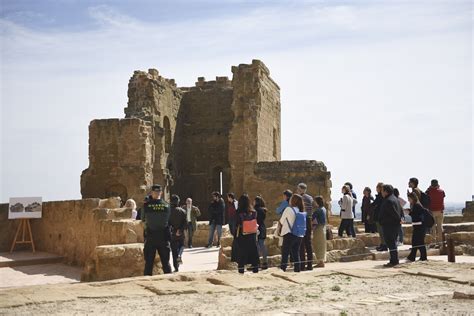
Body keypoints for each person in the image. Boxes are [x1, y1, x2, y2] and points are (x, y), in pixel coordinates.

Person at [142, 184, 172, 275]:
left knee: (149, 263)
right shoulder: (166, 205)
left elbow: (143, 218)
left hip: (152, 235)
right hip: (163, 236)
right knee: (165, 263)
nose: (156, 193)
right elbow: (169, 220)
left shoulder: (147, 205)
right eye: (156, 192)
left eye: (157, 192)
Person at [279, 194, 306, 272]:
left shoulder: (288, 209)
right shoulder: (301, 210)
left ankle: (282, 269)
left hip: (289, 233)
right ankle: (297, 269)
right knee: (296, 252)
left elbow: (281, 221)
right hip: (299, 234)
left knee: (285, 253)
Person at [379, 184, 402, 267]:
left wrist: (383, 221)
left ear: (386, 191)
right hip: (393, 225)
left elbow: (394, 214)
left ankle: (394, 260)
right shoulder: (395, 199)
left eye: (382, 190)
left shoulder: (389, 201)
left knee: (391, 243)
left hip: (389, 226)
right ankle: (393, 260)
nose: (381, 192)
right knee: (392, 243)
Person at [235, 194, 259, 274]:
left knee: (242, 251)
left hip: (242, 234)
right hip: (252, 234)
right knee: (253, 251)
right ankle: (255, 268)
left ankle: (241, 269)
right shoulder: (253, 212)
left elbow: (236, 223)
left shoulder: (238, 212)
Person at [297, 183, 314, 271]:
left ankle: (302, 265)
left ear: (300, 189)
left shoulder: (300, 198)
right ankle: (310, 265)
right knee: (308, 243)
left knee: (301, 243)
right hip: (309, 220)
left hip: (302, 220)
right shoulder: (310, 198)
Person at [406, 192, 427, 262]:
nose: (408, 200)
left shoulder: (417, 205)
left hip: (420, 227)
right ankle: (412, 256)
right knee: (415, 242)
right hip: (417, 226)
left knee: (420, 242)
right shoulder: (415, 205)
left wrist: (409, 213)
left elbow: (417, 216)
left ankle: (423, 257)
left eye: (409, 198)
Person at [169, 194, 187, 272]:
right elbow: (185, 223)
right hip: (180, 232)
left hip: (172, 233)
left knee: (173, 251)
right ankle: (180, 254)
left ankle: (176, 267)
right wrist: (180, 230)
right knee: (182, 245)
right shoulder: (183, 211)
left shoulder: (168, 211)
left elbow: (167, 223)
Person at [426, 179, 446, 244]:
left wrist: (429, 188)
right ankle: (440, 242)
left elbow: (425, 195)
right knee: (440, 227)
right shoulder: (442, 191)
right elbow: (443, 196)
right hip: (440, 211)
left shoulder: (429, 191)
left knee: (433, 227)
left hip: (432, 211)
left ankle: (433, 242)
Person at [312, 196, 327, 268]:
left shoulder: (318, 210)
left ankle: (321, 262)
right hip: (323, 227)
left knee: (318, 244)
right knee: (322, 244)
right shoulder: (323, 209)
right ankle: (322, 261)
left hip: (318, 228)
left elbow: (312, 218)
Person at [254, 196, 268, 270]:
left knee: (258, 247)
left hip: (257, 228)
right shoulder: (263, 210)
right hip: (262, 228)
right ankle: (264, 262)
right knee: (262, 246)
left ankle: (257, 263)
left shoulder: (256, 210)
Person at [373, 182, 387, 251]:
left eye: (377, 187)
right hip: (378, 216)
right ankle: (382, 244)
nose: (376, 189)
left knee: (382, 232)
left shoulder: (381, 197)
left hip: (380, 217)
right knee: (380, 232)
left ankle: (384, 245)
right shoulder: (379, 196)